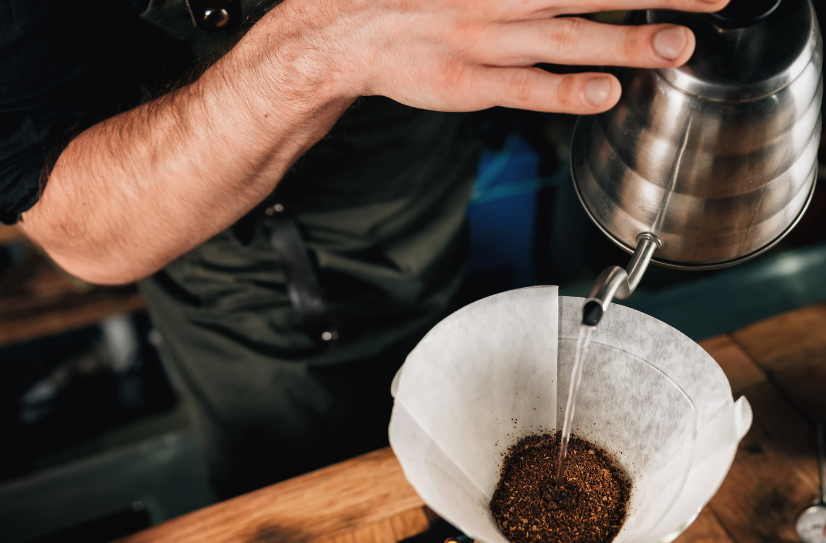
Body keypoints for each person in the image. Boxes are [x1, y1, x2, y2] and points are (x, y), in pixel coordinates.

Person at [1, 0, 722, 498]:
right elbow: (84, 230)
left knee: (462, 460)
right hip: (243, 309)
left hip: (430, 225)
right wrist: (326, 48)